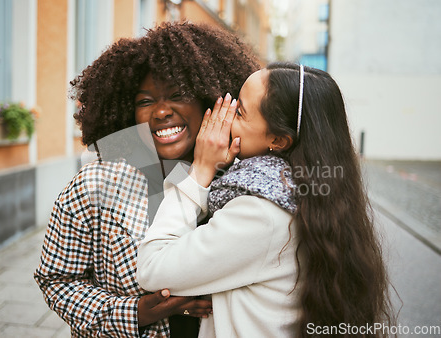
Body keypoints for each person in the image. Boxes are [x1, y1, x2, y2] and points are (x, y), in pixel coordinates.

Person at [34, 21, 259, 337]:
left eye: (178, 94)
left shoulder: (243, 179)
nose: (162, 111)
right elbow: (57, 281)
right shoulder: (94, 185)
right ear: (127, 110)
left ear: (208, 98)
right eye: (145, 101)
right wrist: (136, 313)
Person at [137, 62, 394, 337]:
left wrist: (199, 171)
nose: (223, 121)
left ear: (278, 140)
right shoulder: (304, 192)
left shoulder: (260, 212)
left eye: (239, 112)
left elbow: (153, 268)